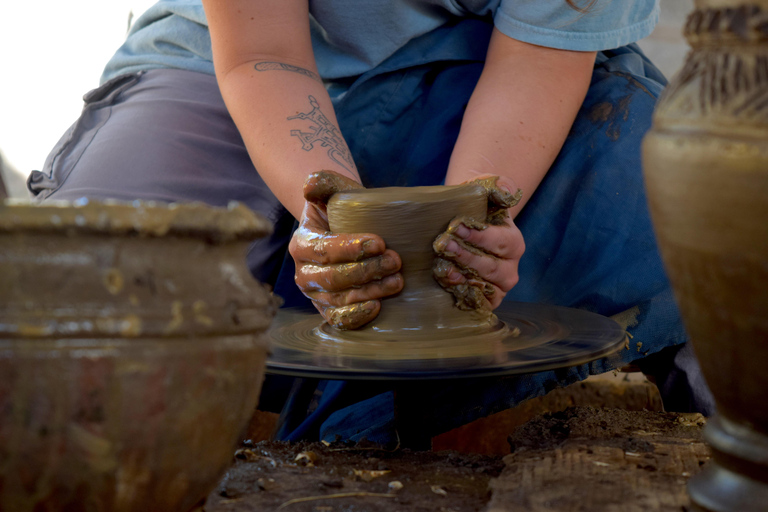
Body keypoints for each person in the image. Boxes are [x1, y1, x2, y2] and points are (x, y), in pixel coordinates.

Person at [28, 0, 714, 446]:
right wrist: (329, 216)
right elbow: (264, 54)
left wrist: (471, 224)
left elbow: (533, 70)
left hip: (484, 65)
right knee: (94, 303)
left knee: (705, 219)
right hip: (224, 61)